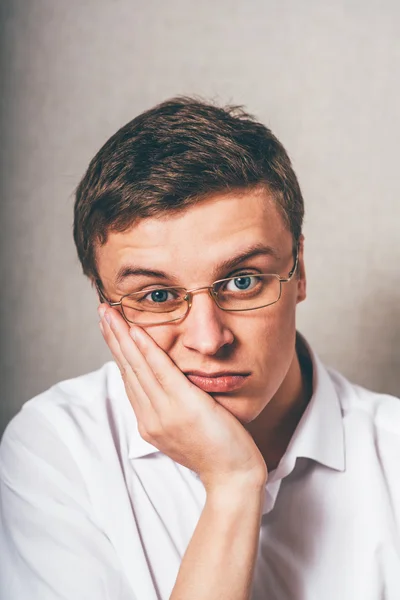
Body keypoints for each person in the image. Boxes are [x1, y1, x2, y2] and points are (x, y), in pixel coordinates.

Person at [0, 97, 399, 600]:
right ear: (105, 304)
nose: (209, 340)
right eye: (158, 296)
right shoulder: (58, 450)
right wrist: (233, 485)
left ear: (298, 269)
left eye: (243, 281)